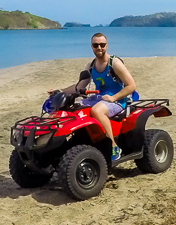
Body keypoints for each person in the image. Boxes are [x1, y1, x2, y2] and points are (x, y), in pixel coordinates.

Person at [52, 32, 136, 162]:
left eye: (102, 45)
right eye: (96, 45)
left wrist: (113, 98)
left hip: (117, 100)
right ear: (91, 47)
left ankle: (114, 146)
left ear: (106, 46)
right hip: (99, 98)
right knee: (74, 109)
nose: (99, 48)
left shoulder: (114, 63)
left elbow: (131, 86)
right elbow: (79, 86)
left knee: (96, 110)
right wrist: (60, 92)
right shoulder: (91, 66)